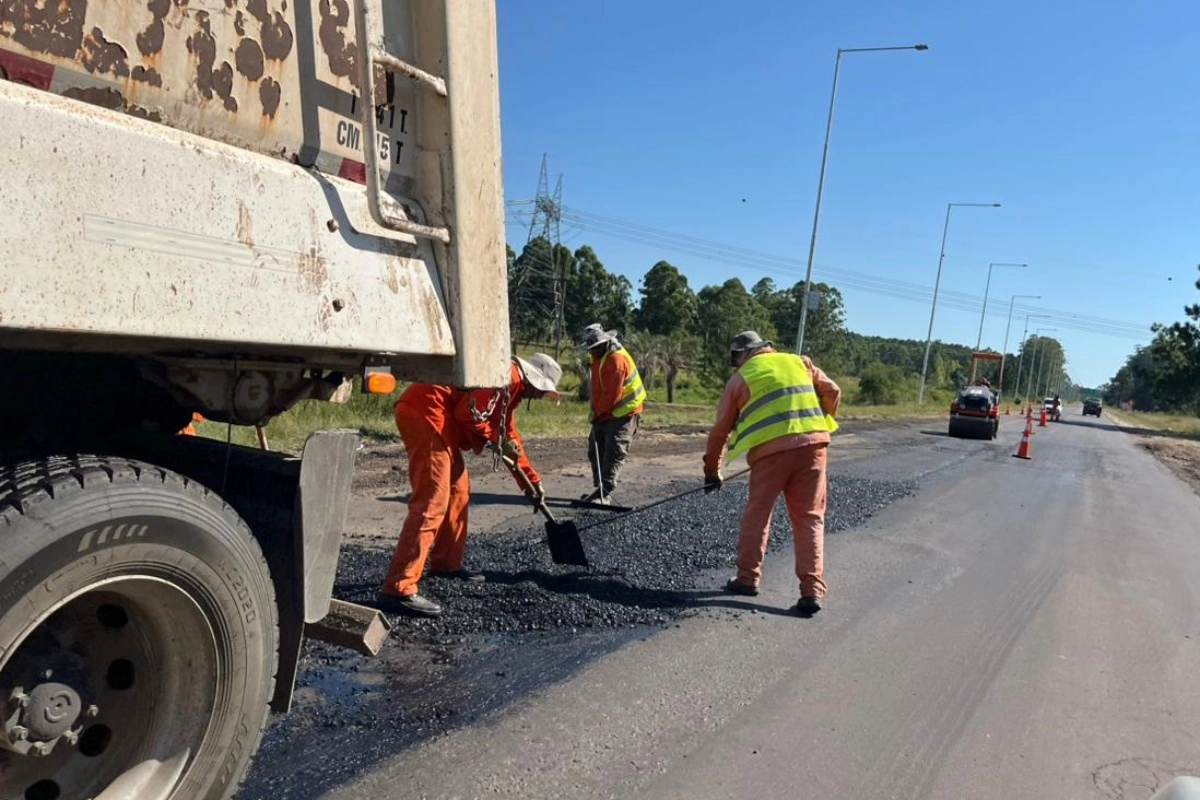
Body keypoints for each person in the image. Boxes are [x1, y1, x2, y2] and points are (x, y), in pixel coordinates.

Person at [377, 353, 562, 617]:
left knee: (458, 492)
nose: (539, 396)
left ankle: (446, 564)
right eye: (542, 391)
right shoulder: (505, 377)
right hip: (427, 413)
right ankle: (398, 587)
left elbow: (507, 434)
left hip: (439, 419)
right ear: (534, 381)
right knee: (432, 501)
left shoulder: (511, 389)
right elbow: (468, 414)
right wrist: (495, 440)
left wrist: (531, 483)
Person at [703, 331, 841, 617]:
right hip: (813, 447)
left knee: (758, 513)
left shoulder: (740, 379)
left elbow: (720, 431)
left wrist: (712, 471)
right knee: (810, 518)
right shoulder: (800, 362)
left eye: (735, 359)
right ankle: (812, 589)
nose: (736, 364)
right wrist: (819, 420)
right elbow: (833, 392)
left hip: (770, 455)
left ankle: (747, 578)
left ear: (743, 354)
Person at [578, 324, 646, 504]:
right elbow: (597, 388)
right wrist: (595, 410)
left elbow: (612, 395)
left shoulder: (616, 361)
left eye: (595, 348)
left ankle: (606, 492)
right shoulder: (597, 358)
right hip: (604, 412)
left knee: (614, 450)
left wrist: (597, 412)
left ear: (604, 344)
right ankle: (599, 489)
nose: (592, 352)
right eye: (590, 349)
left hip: (625, 411)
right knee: (595, 449)